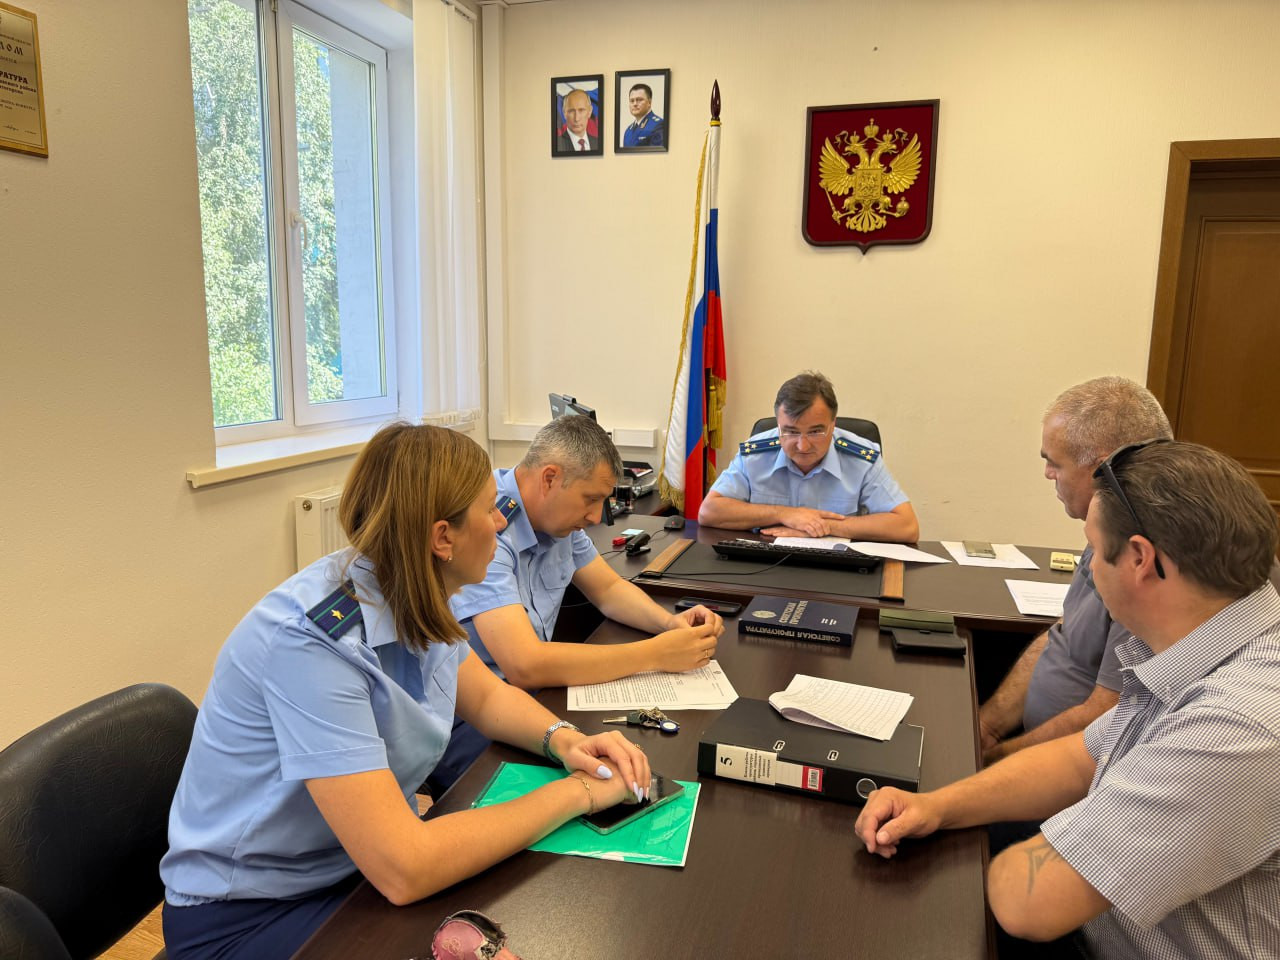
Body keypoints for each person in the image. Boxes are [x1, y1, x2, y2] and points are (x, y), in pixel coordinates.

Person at [159, 424, 650, 960]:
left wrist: (565, 740)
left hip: (346, 870)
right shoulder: (312, 644)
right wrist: (579, 792)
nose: (500, 522)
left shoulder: (413, 590)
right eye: (490, 510)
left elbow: (485, 698)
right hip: (249, 915)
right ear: (443, 538)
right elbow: (405, 867)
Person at [856, 440, 1280, 957]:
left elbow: (1027, 902)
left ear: (1140, 559)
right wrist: (936, 806)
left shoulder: (1239, 729)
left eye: (1095, 549)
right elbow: (1082, 757)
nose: (1089, 569)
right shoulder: (1208, 639)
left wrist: (1032, 845)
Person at [432, 414, 724, 790]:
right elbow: (524, 664)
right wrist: (656, 654)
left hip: (524, 700)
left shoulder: (558, 523)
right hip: (468, 720)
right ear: (550, 478)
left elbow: (608, 590)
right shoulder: (485, 531)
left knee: (635, 767)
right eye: (591, 500)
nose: (595, 516)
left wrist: (671, 625)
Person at [979, 376, 1172, 765]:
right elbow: (1063, 635)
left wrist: (994, 759)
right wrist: (986, 725)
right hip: (1034, 754)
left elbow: (1108, 717)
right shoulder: (1110, 519)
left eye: (1054, 462)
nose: (1049, 474)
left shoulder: (1148, 556)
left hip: (1070, 776)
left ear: (1102, 468)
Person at [697, 371, 919, 542]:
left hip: (838, 571)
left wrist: (823, 526)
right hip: (765, 566)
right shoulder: (755, 453)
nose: (802, 446)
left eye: (815, 431)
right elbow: (709, 512)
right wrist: (785, 514)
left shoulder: (861, 459)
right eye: (791, 432)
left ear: (833, 424)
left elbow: (907, 526)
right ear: (778, 425)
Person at [622, 82, 665, 147]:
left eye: (639, 100)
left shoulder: (659, 125)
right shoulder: (628, 131)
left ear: (649, 102)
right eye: (632, 101)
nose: (635, 104)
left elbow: (657, 155)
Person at [556, 88, 598, 153]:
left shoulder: (597, 143)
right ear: (564, 113)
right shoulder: (557, 144)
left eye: (581, 110)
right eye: (571, 111)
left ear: (590, 112)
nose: (576, 118)